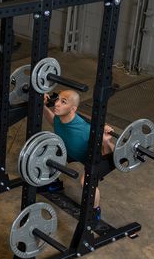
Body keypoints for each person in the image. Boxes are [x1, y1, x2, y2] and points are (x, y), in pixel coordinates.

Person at [42, 89, 114, 222]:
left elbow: (108, 154)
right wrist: (42, 105)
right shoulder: (59, 118)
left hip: (104, 156)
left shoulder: (85, 129)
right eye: (57, 100)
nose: (56, 104)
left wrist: (105, 141)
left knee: (86, 181)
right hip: (77, 152)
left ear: (73, 109)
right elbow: (54, 122)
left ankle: (94, 212)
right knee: (49, 152)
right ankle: (54, 182)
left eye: (63, 102)